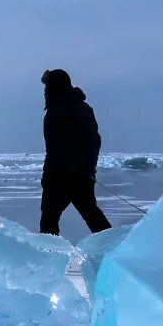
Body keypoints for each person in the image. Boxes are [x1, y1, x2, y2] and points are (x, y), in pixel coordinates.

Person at [39, 69, 112, 236]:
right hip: (83, 175)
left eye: (47, 85)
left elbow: (54, 149)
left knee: (49, 220)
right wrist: (88, 169)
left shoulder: (56, 112)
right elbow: (96, 140)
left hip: (61, 177)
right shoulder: (84, 108)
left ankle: (50, 258)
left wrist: (48, 177)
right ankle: (113, 248)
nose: (44, 90)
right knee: (92, 215)